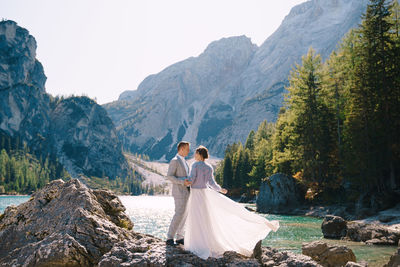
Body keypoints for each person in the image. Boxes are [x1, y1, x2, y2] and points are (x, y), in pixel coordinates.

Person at [184, 145, 279, 260]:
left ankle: (197, 244)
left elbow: (192, 178)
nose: (194, 155)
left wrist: (185, 182)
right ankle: (206, 243)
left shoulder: (194, 165)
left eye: (195, 153)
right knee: (204, 218)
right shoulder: (209, 167)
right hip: (205, 194)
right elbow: (212, 183)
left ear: (199, 154)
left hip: (196, 195)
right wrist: (221, 190)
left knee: (196, 218)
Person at [165, 141, 192, 246]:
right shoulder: (175, 161)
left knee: (185, 214)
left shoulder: (185, 161)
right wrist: (182, 181)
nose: (189, 151)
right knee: (179, 214)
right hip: (179, 193)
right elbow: (169, 176)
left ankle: (180, 237)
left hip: (187, 192)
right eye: (187, 149)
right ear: (181, 149)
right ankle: (169, 237)